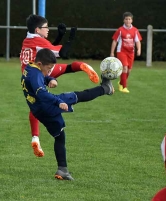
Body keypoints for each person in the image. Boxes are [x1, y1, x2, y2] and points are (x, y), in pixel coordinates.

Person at [21, 48, 114, 180]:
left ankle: (62, 170)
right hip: (48, 106)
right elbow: (41, 92)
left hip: (39, 111)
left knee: (59, 136)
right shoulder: (36, 74)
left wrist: (49, 79)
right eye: (49, 68)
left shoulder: (30, 67)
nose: (49, 70)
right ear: (40, 64)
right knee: (78, 96)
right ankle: (106, 88)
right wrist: (58, 101)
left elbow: (36, 80)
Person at [20, 14, 100, 157]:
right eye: (46, 27)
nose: (48, 30)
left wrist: (59, 36)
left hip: (27, 76)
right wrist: (70, 37)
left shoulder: (27, 39)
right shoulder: (39, 41)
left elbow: (47, 50)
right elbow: (61, 52)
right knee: (68, 68)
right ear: (37, 30)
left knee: (34, 106)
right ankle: (83, 66)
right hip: (41, 71)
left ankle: (35, 138)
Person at [110, 12, 142, 93]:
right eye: (126, 19)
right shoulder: (120, 30)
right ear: (124, 20)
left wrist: (139, 49)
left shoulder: (135, 30)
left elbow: (138, 41)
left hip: (131, 53)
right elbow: (114, 41)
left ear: (132, 20)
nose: (128, 21)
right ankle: (124, 87)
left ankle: (121, 83)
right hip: (121, 52)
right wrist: (112, 52)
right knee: (124, 68)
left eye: (129, 19)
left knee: (129, 70)